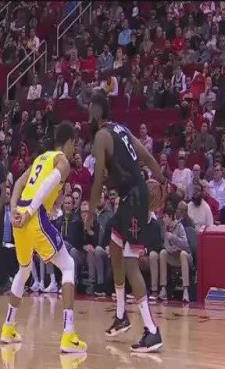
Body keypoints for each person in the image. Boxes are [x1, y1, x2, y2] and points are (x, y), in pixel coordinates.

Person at [86, 92, 167, 353]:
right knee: (115, 248)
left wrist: (90, 212)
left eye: (90, 109)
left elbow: (98, 179)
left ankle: (152, 331)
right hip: (131, 197)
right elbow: (148, 157)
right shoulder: (121, 129)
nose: (88, 114)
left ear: (97, 111)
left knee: (131, 263)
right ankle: (121, 315)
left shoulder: (101, 136)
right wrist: (162, 181)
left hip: (132, 200)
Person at [0, 121, 87, 354]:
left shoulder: (40, 159)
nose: (74, 149)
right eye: (74, 144)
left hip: (20, 213)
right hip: (33, 215)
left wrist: (14, 208)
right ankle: (68, 335)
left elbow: (19, 183)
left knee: (24, 270)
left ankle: (8, 328)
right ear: (68, 142)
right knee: (68, 266)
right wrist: (30, 211)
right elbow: (48, 184)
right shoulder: (62, 161)